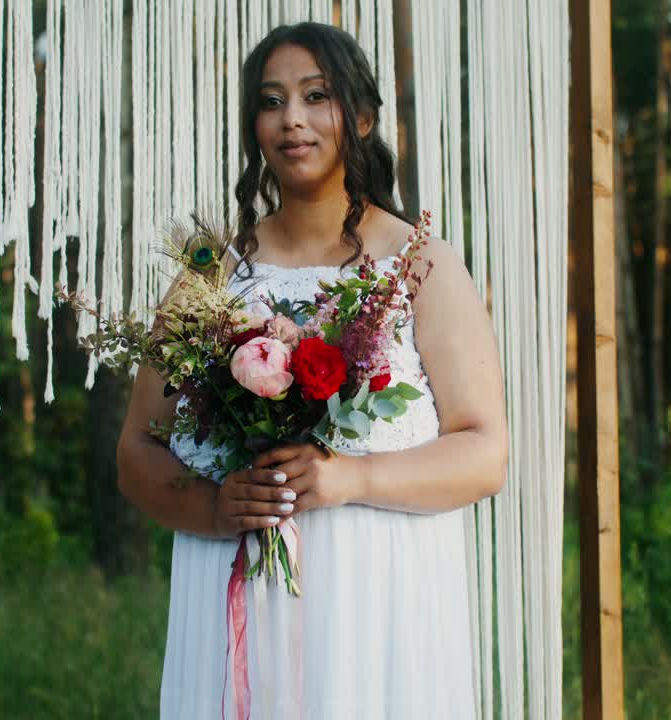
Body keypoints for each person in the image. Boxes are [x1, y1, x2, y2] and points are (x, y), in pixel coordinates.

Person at [116, 21, 507, 719]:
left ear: (360, 115)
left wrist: (346, 477)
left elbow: (485, 454)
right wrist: (212, 506)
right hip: (234, 602)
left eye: (315, 96)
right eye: (270, 102)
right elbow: (137, 449)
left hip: (379, 611)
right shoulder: (211, 275)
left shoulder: (420, 264)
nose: (291, 119)